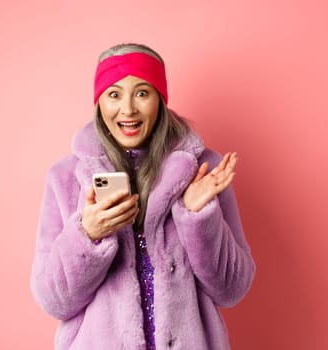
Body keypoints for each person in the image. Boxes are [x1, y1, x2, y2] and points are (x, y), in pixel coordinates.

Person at [29, 43, 256, 349]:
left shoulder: (204, 171)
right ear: (100, 103)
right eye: (114, 94)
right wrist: (88, 235)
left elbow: (232, 289)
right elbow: (53, 300)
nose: (128, 109)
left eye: (141, 92)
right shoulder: (66, 178)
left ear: (159, 100)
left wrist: (199, 216)